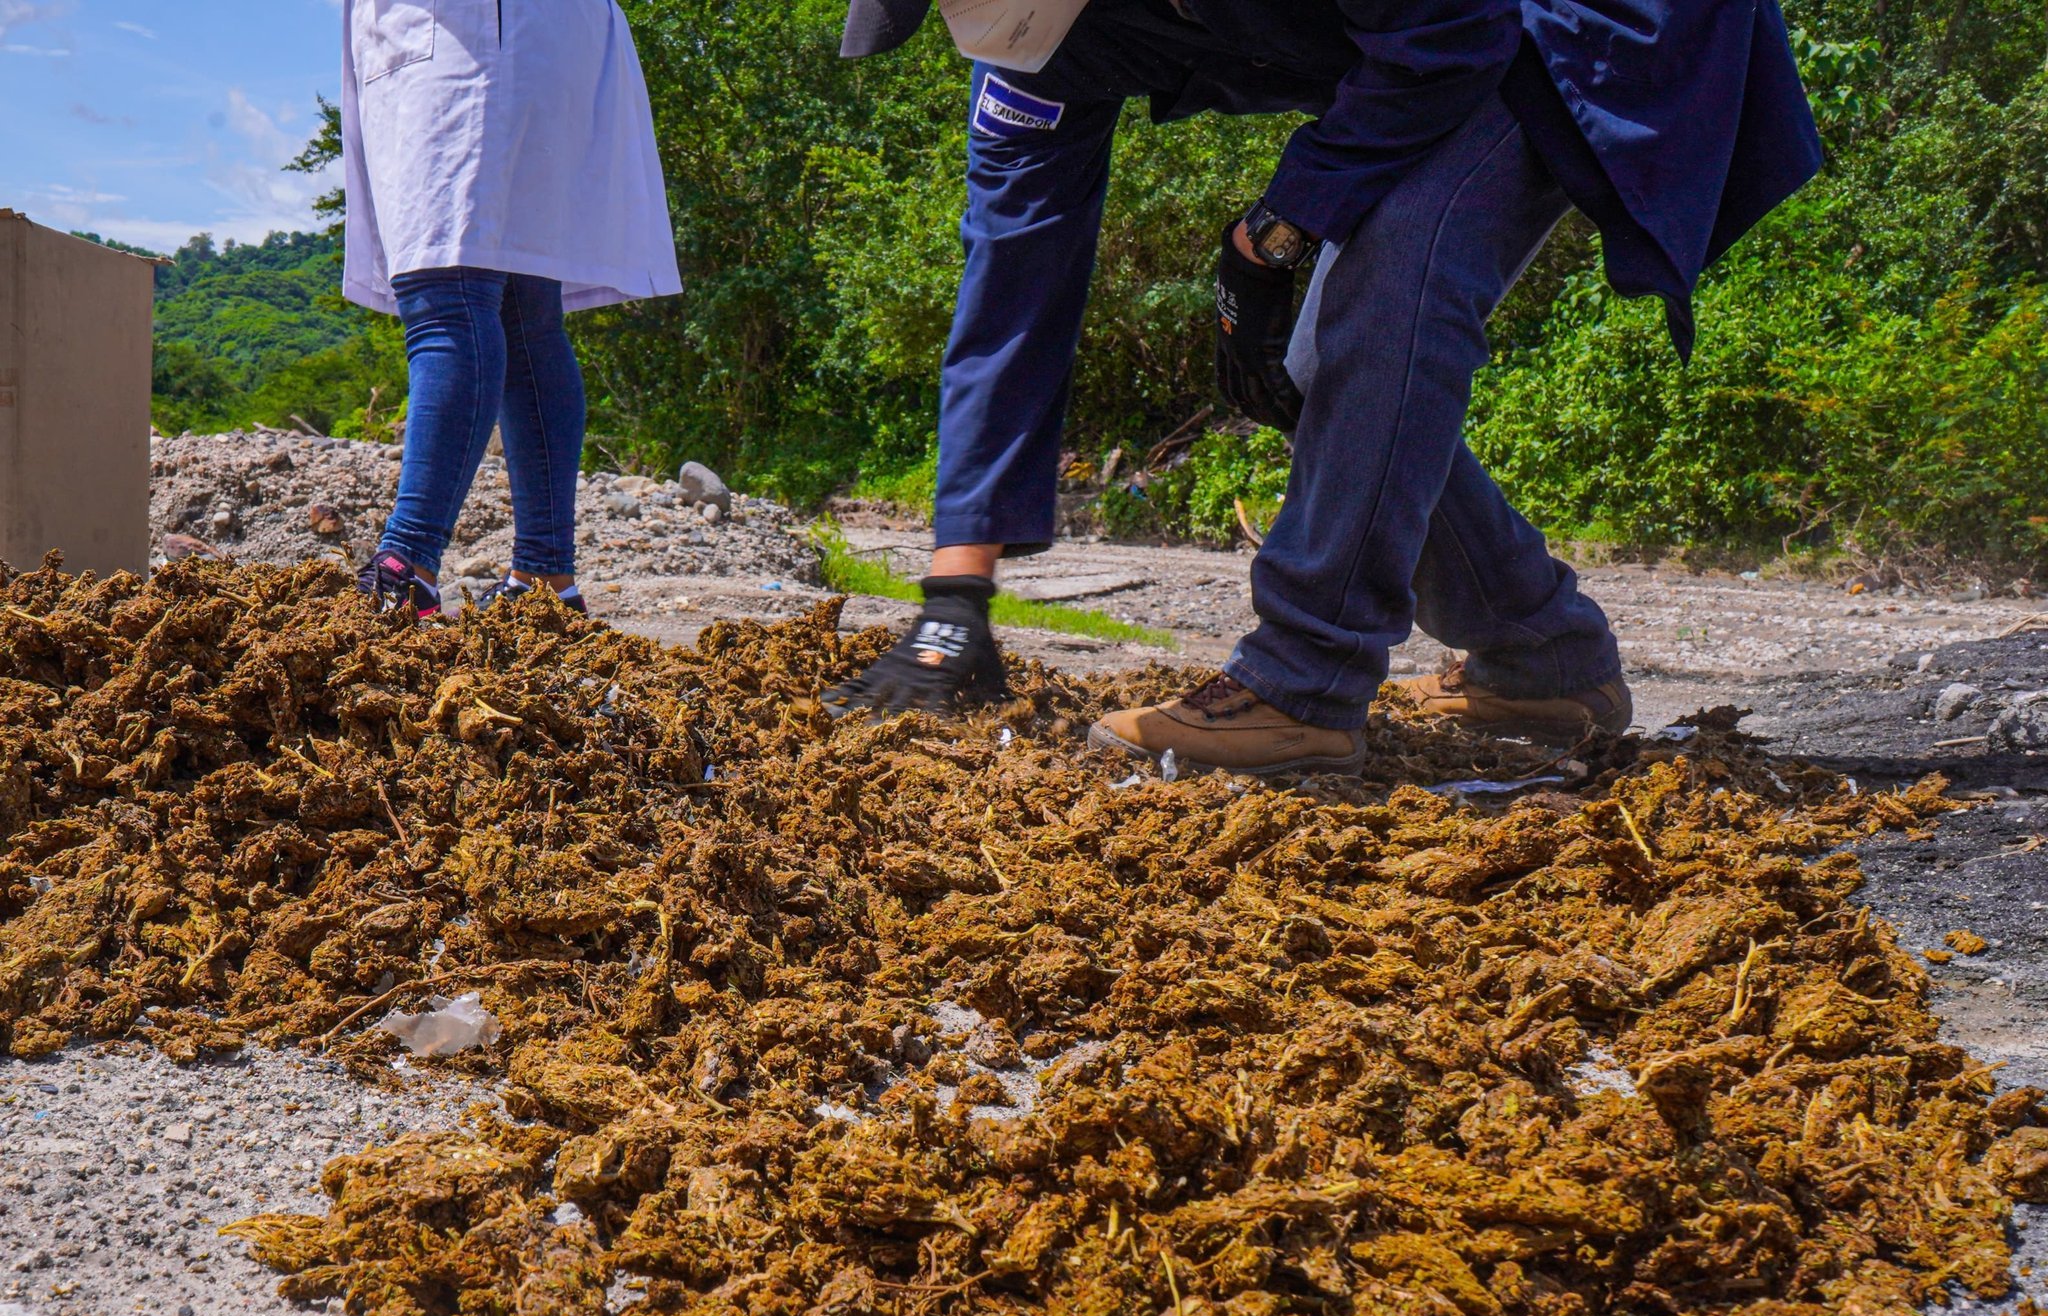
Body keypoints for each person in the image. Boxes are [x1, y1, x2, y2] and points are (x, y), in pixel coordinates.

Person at [824, 0, 1822, 777]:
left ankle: (1303, 683)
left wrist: (1277, 226)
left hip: (1546, 23)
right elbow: (1012, 278)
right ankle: (1543, 661)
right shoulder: (1019, 47)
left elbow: (1450, 39)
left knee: (1391, 281)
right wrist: (955, 596)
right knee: (1317, 370)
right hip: (1436, 37)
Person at [340, 0, 681, 617]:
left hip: (467, 36)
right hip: (544, 36)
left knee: (447, 292)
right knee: (526, 312)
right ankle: (546, 580)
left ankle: (407, 565)